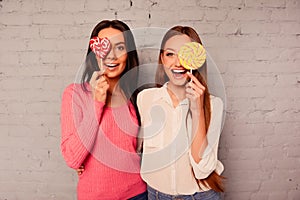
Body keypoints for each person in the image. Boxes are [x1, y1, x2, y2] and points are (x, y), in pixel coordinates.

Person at [60, 20, 147, 200]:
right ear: (94, 52)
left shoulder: (135, 97)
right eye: (104, 46)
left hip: (137, 193)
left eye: (120, 47)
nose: (111, 56)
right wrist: (97, 102)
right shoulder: (75, 94)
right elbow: (72, 158)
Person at [137, 26, 225, 200]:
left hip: (199, 196)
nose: (178, 62)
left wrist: (197, 110)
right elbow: (139, 147)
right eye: (170, 54)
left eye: (185, 54)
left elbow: (203, 170)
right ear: (162, 58)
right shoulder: (145, 99)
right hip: (156, 195)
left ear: (197, 60)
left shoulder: (214, 105)